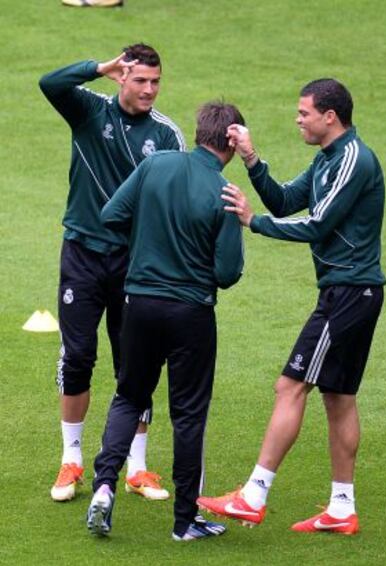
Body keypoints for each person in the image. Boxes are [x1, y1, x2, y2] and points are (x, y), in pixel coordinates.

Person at [197, 79, 385, 535]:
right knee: (338, 398)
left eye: (303, 113)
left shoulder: (354, 160)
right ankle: (342, 508)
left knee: (290, 385)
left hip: (348, 293)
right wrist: (251, 158)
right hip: (349, 292)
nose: (298, 120)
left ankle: (254, 494)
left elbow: (318, 225)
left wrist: (253, 222)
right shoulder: (326, 161)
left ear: (330, 117)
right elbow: (284, 199)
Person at [85, 101, 245, 540]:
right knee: (189, 416)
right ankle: (184, 522)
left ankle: (103, 487)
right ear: (231, 141)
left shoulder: (155, 166)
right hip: (191, 314)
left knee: (129, 397)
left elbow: (110, 215)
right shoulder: (227, 193)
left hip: (139, 305)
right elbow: (229, 274)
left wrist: (145, 246)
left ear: (198, 132)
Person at [39, 43, 186, 503]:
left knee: (136, 364)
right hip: (82, 254)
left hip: (134, 262)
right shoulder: (88, 110)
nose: (149, 90)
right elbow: (50, 83)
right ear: (121, 77)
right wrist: (96, 68)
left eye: (155, 81)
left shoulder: (166, 135)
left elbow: (175, 199)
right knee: (78, 355)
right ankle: (72, 459)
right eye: (140, 80)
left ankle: (138, 468)